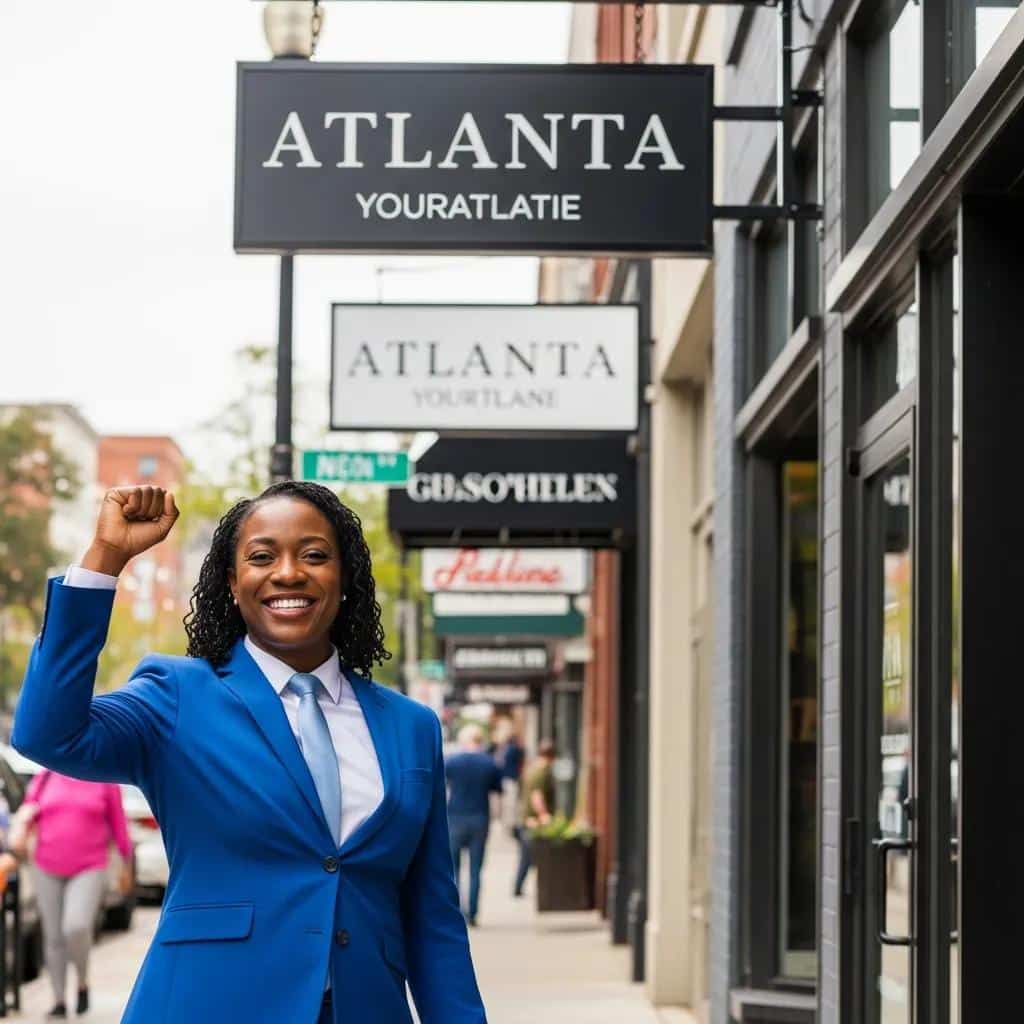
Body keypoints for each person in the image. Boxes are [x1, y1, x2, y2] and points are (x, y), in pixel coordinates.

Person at [13, 482, 487, 1024]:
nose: (288, 573)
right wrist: (105, 560)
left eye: (315, 555)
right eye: (262, 557)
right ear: (233, 585)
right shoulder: (177, 695)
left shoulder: (411, 727)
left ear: (346, 579)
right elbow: (48, 735)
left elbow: (433, 917)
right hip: (210, 1005)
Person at [14, 771, 133, 1018]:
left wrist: (126, 864)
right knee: (53, 935)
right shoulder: (45, 777)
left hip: (89, 865)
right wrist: (25, 821)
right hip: (45, 864)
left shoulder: (104, 780)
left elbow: (119, 825)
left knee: (76, 926)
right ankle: (58, 1000)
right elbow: (28, 810)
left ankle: (82, 981)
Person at [443, 724, 502, 927]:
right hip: (480, 818)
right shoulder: (489, 763)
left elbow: (442, 784)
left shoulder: (452, 761)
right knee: (476, 869)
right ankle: (474, 913)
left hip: (455, 818)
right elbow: (497, 789)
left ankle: (457, 911)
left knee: (454, 869)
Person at [512, 741, 557, 898]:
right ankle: (519, 887)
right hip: (532, 820)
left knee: (527, 856)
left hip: (527, 819)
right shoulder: (540, 772)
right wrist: (544, 815)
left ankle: (517, 887)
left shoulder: (530, 769)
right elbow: (536, 797)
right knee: (530, 856)